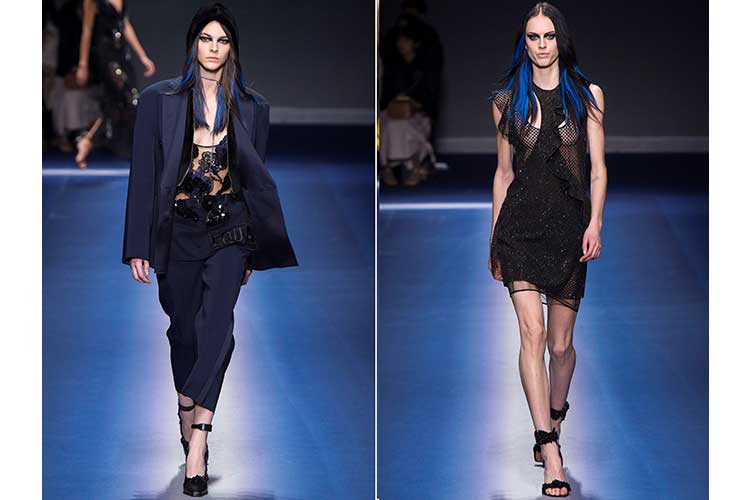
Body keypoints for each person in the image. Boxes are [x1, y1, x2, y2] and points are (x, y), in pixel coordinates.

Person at [122, 3, 298, 496]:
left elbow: (253, 181)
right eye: (206, 39)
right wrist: (137, 243)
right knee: (184, 331)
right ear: (193, 44)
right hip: (178, 230)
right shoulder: (158, 101)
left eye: (222, 40)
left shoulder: (253, 107)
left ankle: (198, 438)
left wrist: (253, 248)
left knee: (217, 327)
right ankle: (186, 406)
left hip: (230, 231)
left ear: (232, 48)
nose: (214, 48)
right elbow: (143, 175)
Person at [488, 2, 607, 497]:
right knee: (531, 336)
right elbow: (503, 173)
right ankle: (548, 447)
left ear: (561, 39)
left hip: (569, 229)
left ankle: (555, 414)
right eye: (533, 37)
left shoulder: (587, 96)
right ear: (525, 42)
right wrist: (494, 238)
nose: (541, 45)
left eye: (548, 36)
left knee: (560, 346)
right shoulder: (506, 101)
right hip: (519, 228)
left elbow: (597, 169)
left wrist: (595, 222)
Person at [75, 0, 156, 167]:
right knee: (132, 99)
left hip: (122, 55)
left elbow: (125, 25)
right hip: (107, 56)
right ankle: (143, 151)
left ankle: (88, 140)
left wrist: (143, 56)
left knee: (115, 104)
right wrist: (83, 64)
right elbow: (87, 30)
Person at [379, 25, 440, 186]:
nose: (401, 44)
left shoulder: (425, 68)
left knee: (408, 126)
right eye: (400, 40)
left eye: (406, 40)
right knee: (388, 125)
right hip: (393, 111)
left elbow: (430, 97)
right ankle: (387, 167)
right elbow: (386, 95)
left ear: (415, 43)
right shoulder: (393, 67)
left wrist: (416, 104)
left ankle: (415, 166)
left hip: (418, 113)